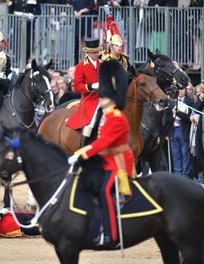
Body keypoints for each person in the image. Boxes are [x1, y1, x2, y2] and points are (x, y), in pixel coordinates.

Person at [68, 60, 134, 248]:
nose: (101, 99)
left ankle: (112, 236)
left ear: (111, 98)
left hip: (119, 163)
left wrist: (82, 154)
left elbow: (103, 143)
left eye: (104, 97)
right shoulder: (106, 115)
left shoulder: (116, 117)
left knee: (105, 191)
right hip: (107, 160)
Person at [66, 38, 102, 146]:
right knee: (92, 119)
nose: (96, 54)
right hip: (90, 99)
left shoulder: (103, 63)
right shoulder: (80, 66)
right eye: (94, 52)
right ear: (88, 52)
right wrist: (91, 86)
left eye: (97, 51)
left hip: (103, 96)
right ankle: (84, 144)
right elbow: (77, 87)